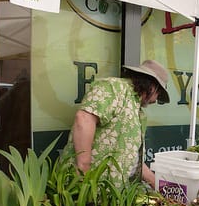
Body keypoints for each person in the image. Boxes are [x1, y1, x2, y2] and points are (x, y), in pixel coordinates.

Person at [66, 59, 170, 187]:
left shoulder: (137, 111)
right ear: (152, 86)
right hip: (83, 189)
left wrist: (161, 187)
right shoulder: (114, 87)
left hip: (109, 196)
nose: (156, 101)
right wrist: (84, 168)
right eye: (159, 94)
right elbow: (84, 118)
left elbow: (134, 161)